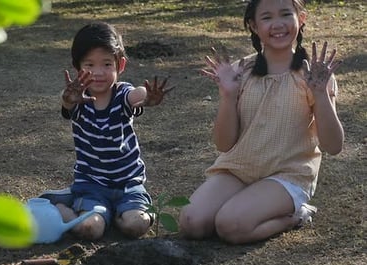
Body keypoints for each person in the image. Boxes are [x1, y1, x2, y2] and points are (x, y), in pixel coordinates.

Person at [179, 0, 344, 244]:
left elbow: (333, 146)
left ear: (302, 18)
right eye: (266, 17)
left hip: (288, 174)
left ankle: (296, 215)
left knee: (230, 226)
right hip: (238, 169)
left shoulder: (313, 75)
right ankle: (250, 201)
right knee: (192, 223)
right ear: (254, 26)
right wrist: (228, 97)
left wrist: (320, 94)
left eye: (286, 14)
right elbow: (224, 144)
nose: (278, 24)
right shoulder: (240, 71)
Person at [39, 22, 173, 240]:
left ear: (120, 65)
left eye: (107, 64)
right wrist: (68, 98)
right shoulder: (78, 100)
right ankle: (66, 208)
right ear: (77, 68)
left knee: (136, 225)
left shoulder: (122, 95)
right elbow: (67, 103)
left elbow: (136, 94)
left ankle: (114, 214)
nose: (99, 73)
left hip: (129, 184)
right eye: (89, 65)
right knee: (89, 230)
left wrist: (146, 98)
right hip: (92, 185)